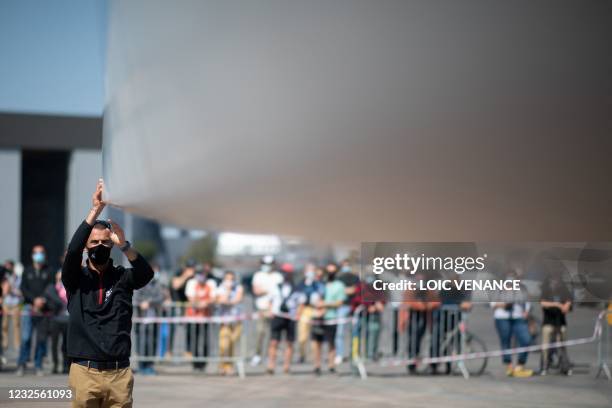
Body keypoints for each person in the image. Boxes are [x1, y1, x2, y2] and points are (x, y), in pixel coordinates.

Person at [62, 180, 154, 407]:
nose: (100, 246)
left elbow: (146, 273)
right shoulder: (76, 279)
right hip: (85, 371)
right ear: (86, 246)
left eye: (105, 242)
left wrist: (124, 246)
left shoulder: (123, 277)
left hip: (119, 374)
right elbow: (73, 251)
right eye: (94, 242)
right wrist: (96, 209)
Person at [17, 245, 54, 376]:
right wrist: (33, 301)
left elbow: (51, 288)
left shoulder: (49, 271)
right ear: (32, 254)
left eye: (41, 253)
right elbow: (23, 288)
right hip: (28, 308)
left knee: (41, 339)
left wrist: (42, 300)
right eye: (36, 253)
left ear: (45, 254)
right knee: (26, 337)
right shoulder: (27, 271)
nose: (39, 255)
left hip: (44, 309)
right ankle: (22, 364)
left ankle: (38, 365)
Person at [491, 269, 533, 378]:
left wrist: (527, 312)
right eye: (509, 276)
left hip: (518, 317)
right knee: (506, 341)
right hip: (502, 317)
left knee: (526, 339)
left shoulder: (522, 288)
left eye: (513, 276)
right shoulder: (499, 288)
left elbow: (527, 301)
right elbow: (492, 303)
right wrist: (504, 304)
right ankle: (509, 366)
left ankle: (520, 365)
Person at [267, 267, 305, 374]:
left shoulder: (297, 288)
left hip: (290, 317)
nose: (286, 275)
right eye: (284, 273)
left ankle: (286, 366)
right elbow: (270, 300)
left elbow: (301, 303)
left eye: (288, 273)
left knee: (289, 343)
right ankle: (271, 365)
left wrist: (298, 314)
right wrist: (270, 311)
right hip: (277, 316)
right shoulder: (276, 287)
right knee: (274, 342)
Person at [311, 263, 346, 375]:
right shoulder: (319, 284)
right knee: (317, 342)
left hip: (331, 317)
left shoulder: (339, 285)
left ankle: (331, 365)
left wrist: (325, 305)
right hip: (318, 317)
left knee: (331, 342)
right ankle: (317, 365)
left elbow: (340, 302)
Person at [250, 255, 283, 366]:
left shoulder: (278, 276)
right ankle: (257, 354)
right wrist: (269, 291)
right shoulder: (258, 275)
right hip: (262, 308)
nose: (267, 266)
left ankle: (270, 356)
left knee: (272, 335)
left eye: (269, 264)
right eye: (265, 264)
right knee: (260, 332)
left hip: (275, 310)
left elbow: (279, 293)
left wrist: (268, 291)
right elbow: (256, 291)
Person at [134, 265, 165, 375]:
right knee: (142, 343)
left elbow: (160, 298)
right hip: (142, 320)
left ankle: (150, 365)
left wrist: (150, 302)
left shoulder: (157, 285)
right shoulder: (140, 283)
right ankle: (142, 365)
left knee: (152, 343)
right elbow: (136, 298)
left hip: (154, 320)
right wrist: (142, 303)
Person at [184, 264, 216, 371]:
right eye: (198, 273)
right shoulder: (191, 283)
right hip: (193, 317)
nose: (201, 276)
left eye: (202, 273)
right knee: (195, 340)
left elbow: (213, 298)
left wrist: (204, 303)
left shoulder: (211, 283)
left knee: (206, 340)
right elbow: (191, 299)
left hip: (206, 317)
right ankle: (196, 363)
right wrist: (201, 303)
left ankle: (204, 362)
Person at [540, 273, 573, 375]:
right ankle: (544, 366)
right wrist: (557, 304)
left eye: (557, 280)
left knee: (562, 346)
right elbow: (542, 303)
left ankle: (564, 366)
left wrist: (566, 305)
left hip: (560, 322)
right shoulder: (546, 290)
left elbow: (569, 302)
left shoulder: (564, 290)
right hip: (548, 322)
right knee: (545, 346)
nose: (555, 282)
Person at [215, 270, 244, 375]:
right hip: (224, 320)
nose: (230, 281)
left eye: (232, 279)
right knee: (224, 344)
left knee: (232, 343)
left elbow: (237, 299)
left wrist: (227, 301)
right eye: (227, 279)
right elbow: (220, 300)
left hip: (236, 320)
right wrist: (227, 291)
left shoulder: (239, 288)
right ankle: (222, 365)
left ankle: (229, 366)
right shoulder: (220, 288)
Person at [296, 263, 325, 363]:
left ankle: (315, 357)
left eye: (312, 270)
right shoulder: (301, 284)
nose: (310, 273)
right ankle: (302, 354)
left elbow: (322, 296)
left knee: (315, 337)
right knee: (302, 337)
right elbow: (298, 299)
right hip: (304, 310)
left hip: (315, 309)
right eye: (309, 270)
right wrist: (298, 313)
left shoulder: (318, 284)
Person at [335, 259, 360, 365]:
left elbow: (355, 290)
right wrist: (346, 290)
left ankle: (354, 354)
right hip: (342, 307)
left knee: (355, 332)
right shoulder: (338, 278)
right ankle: (339, 354)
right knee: (339, 332)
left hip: (353, 307)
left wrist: (345, 290)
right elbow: (338, 291)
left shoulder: (355, 277)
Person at [45, 271, 69, 374]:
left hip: (67, 319)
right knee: (54, 344)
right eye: (59, 278)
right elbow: (49, 301)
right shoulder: (53, 288)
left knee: (66, 345)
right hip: (55, 319)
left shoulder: (68, 288)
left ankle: (65, 365)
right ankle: (55, 364)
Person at [1, 260, 20, 357]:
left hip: (15, 303)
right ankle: (5, 343)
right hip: (6, 303)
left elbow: (19, 291)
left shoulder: (17, 277)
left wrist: (11, 289)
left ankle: (17, 345)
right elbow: (4, 291)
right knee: (4, 325)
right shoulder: (4, 277)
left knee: (16, 325)